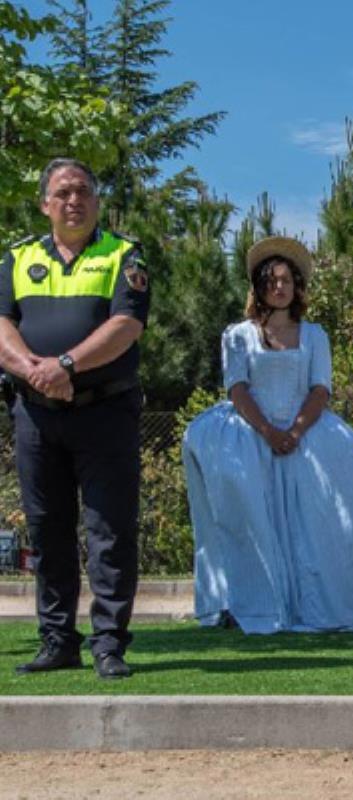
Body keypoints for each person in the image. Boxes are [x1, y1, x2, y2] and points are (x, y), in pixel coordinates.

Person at [182, 236, 353, 633]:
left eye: (286, 280)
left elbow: (320, 389)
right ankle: (245, 601)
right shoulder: (237, 335)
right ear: (258, 287)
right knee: (244, 513)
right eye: (271, 281)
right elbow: (237, 388)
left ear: (296, 287)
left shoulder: (314, 335)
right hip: (251, 430)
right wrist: (267, 431)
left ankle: (318, 605)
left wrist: (294, 431)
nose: (279, 287)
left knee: (326, 518)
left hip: (307, 431)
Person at [0, 158, 148, 679]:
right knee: (48, 530)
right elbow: (1, 325)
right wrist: (35, 373)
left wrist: (65, 364)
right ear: (45, 203)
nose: (73, 201)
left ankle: (109, 644)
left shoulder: (123, 254)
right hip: (37, 415)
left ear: (97, 201)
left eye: (83, 191)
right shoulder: (16, 258)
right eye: (62, 193)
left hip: (105, 412)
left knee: (109, 531)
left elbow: (127, 326)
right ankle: (58, 640)